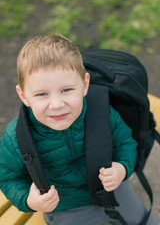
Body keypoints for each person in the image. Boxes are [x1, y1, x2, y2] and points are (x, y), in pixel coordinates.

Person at [0, 34, 159, 225]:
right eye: (42, 94)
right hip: (66, 207)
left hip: (114, 190)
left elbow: (126, 141)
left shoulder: (100, 111)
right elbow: (8, 177)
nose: (57, 104)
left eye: (67, 89)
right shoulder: (16, 138)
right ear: (23, 95)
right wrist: (28, 199)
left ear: (84, 85)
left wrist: (122, 168)